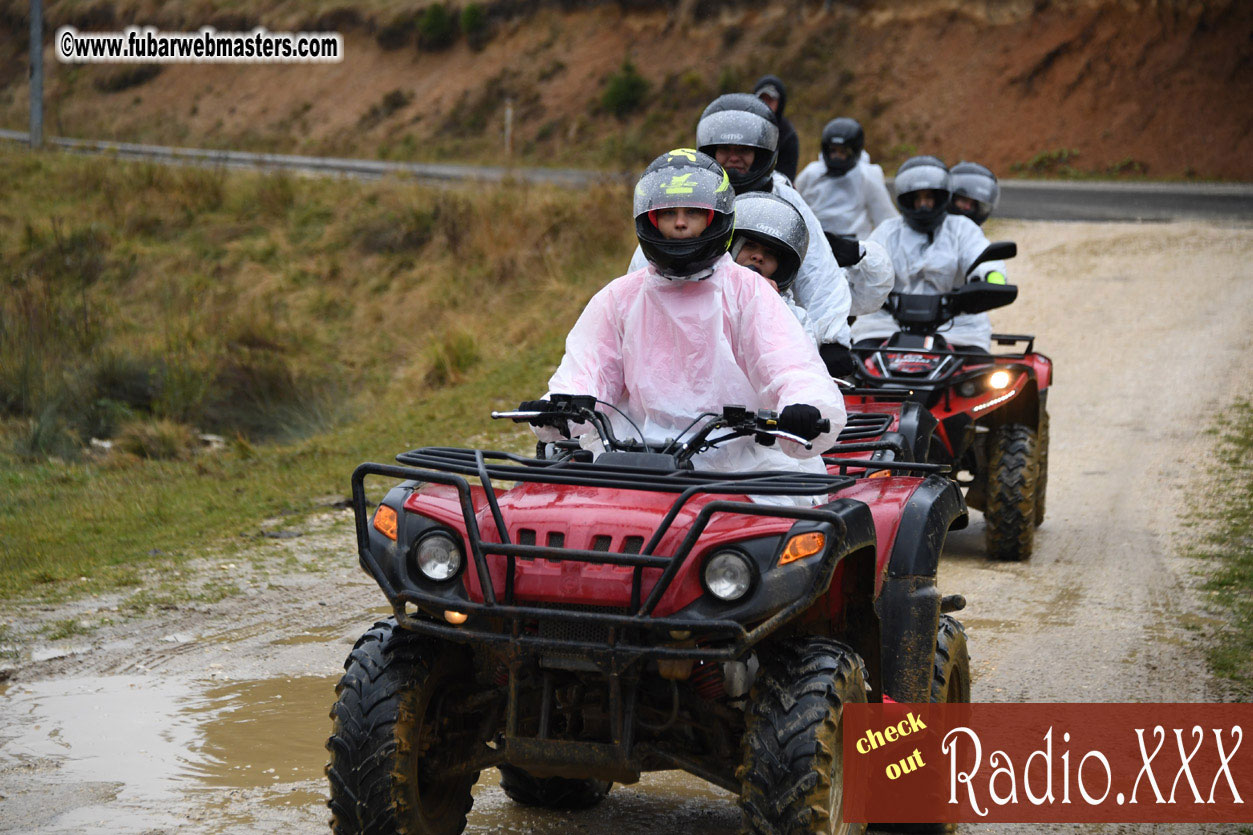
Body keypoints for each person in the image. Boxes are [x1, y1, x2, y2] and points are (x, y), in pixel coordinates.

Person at [522, 150, 845, 503]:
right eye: (668, 213)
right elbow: (588, 370)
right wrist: (558, 407)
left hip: (738, 468)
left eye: (692, 212)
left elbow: (788, 363)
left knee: (776, 545)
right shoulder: (619, 297)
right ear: (650, 219)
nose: (679, 223)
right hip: (634, 461)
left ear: (715, 218)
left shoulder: (747, 292)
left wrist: (803, 405)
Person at [627, 94, 893, 379]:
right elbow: (652, 262)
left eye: (744, 149)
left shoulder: (785, 197)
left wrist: (831, 340)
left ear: (763, 152)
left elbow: (818, 270)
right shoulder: (693, 194)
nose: (734, 157)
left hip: (764, 333)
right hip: (691, 332)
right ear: (710, 150)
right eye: (725, 148)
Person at [851, 155, 1004, 352]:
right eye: (917, 198)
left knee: (980, 377)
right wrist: (851, 274)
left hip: (958, 327)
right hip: (886, 324)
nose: (924, 204)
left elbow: (981, 257)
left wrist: (993, 277)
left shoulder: (962, 229)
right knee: (853, 370)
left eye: (929, 198)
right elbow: (866, 261)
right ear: (907, 200)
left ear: (941, 197)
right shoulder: (887, 231)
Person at [794, 117, 898, 254]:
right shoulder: (811, 174)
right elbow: (796, 207)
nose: (837, 156)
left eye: (843, 152)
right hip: (816, 245)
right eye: (833, 151)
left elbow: (886, 218)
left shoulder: (867, 176)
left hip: (853, 249)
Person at [729, 191, 819, 345]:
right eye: (750, 246)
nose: (758, 257)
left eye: (770, 253)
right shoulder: (703, 291)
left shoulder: (793, 317)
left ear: (782, 268)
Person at [948, 161, 1007, 284]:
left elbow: (979, 252)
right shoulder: (926, 226)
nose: (968, 207)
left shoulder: (970, 234)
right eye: (963, 200)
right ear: (950, 197)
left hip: (954, 299)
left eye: (974, 203)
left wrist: (993, 274)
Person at [753, 74, 799, 182]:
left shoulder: (788, 135)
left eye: (770, 99)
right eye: (762, 98)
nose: (766, 103)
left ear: (780, 102)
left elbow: (787, 177)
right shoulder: (745, 126)